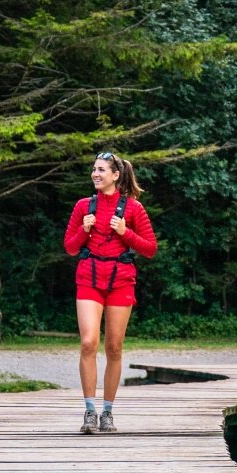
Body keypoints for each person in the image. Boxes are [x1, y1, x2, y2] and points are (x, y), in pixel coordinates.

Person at [63, 151, 157, 433]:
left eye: (101, 170)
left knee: (114, 347)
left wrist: (125, 232)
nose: (95, 174)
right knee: (88, 343)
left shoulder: (134, 208)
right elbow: (70, 247)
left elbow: (150, 249)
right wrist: (84, 230)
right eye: (94, 169)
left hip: (121, 281)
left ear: (116, 175)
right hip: (89, 279)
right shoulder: (83, 206)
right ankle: (89, 412)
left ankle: (108, 413)